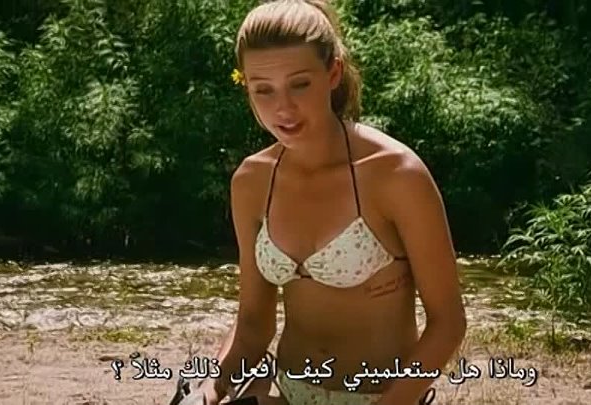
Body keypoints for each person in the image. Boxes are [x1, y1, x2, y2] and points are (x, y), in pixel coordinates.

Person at [197, 1, 466, 404]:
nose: (283, 107)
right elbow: (253, 324)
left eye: (300, 84)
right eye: (263, 89)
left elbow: (448, 324)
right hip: (288, 394)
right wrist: (209, 389)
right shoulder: (252, 182)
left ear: (333, 73)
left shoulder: (395, 174)